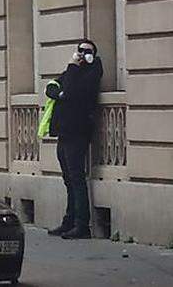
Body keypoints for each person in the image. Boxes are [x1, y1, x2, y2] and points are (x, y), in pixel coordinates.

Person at [46, 39, 103, 240]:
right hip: (64, 132)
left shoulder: (92, 70)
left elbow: (71, 91)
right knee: (68, 179)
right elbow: (52, 86)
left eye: (87, 51)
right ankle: (68, 221)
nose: (82, 54)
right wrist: (60, 92)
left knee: (77, 178)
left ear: (93, 55)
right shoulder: (72, 71)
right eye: (79, 50)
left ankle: (82, 225)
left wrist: (72, 68)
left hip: (78, 132)